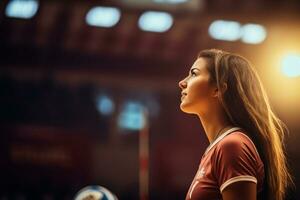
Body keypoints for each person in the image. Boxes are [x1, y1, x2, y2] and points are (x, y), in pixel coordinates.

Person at [178, 49, 293, 200]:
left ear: (218, 89)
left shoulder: (232, 145)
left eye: (194, 73)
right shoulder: (219, 148)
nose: (182, 83)